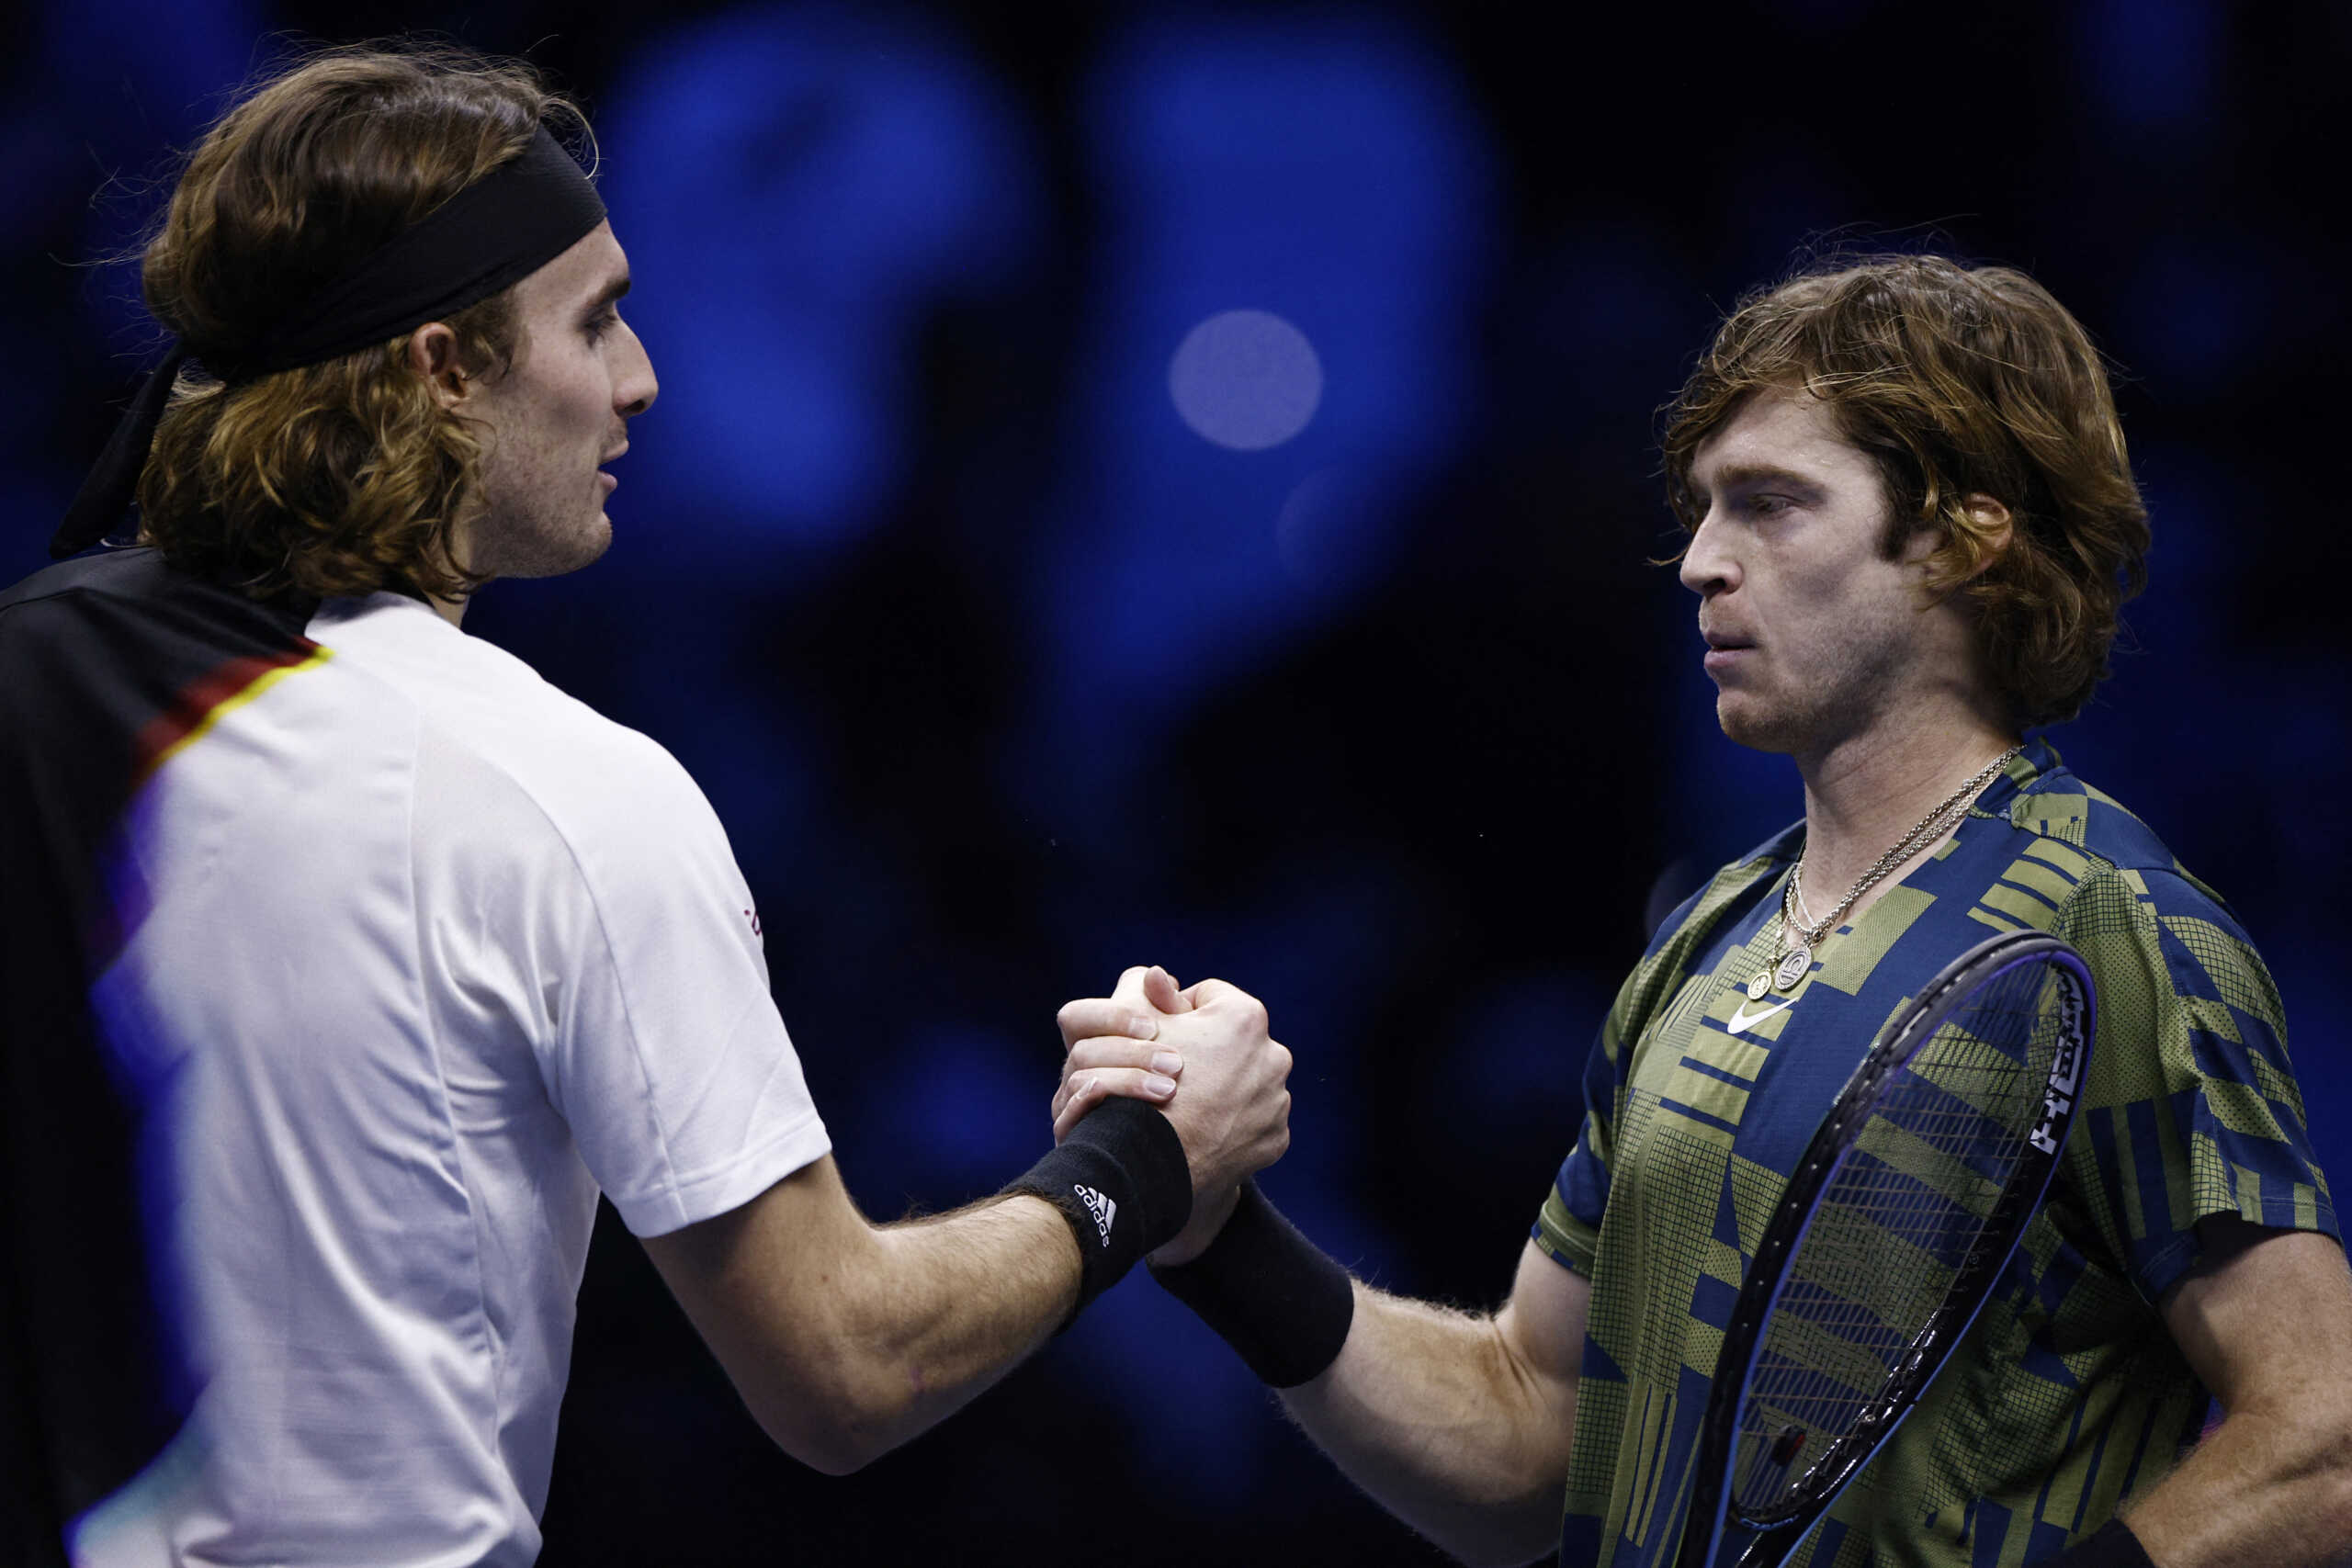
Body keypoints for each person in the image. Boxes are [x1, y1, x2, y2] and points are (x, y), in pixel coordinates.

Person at [0, 43, 1292, 1567]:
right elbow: (846, 1369)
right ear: (443, 370)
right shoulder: (561, 788)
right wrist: (1148, 1160)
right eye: (596, 320)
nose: (640, 378)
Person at [1056, 255, 2352, 1567]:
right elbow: (1529, 1438)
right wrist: (1216, 1232)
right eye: (1703, 508)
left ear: (1963, 540)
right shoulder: (1705, 942)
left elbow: (2322, 1446)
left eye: (1770, 506)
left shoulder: (2121, 925)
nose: (1697, 563)